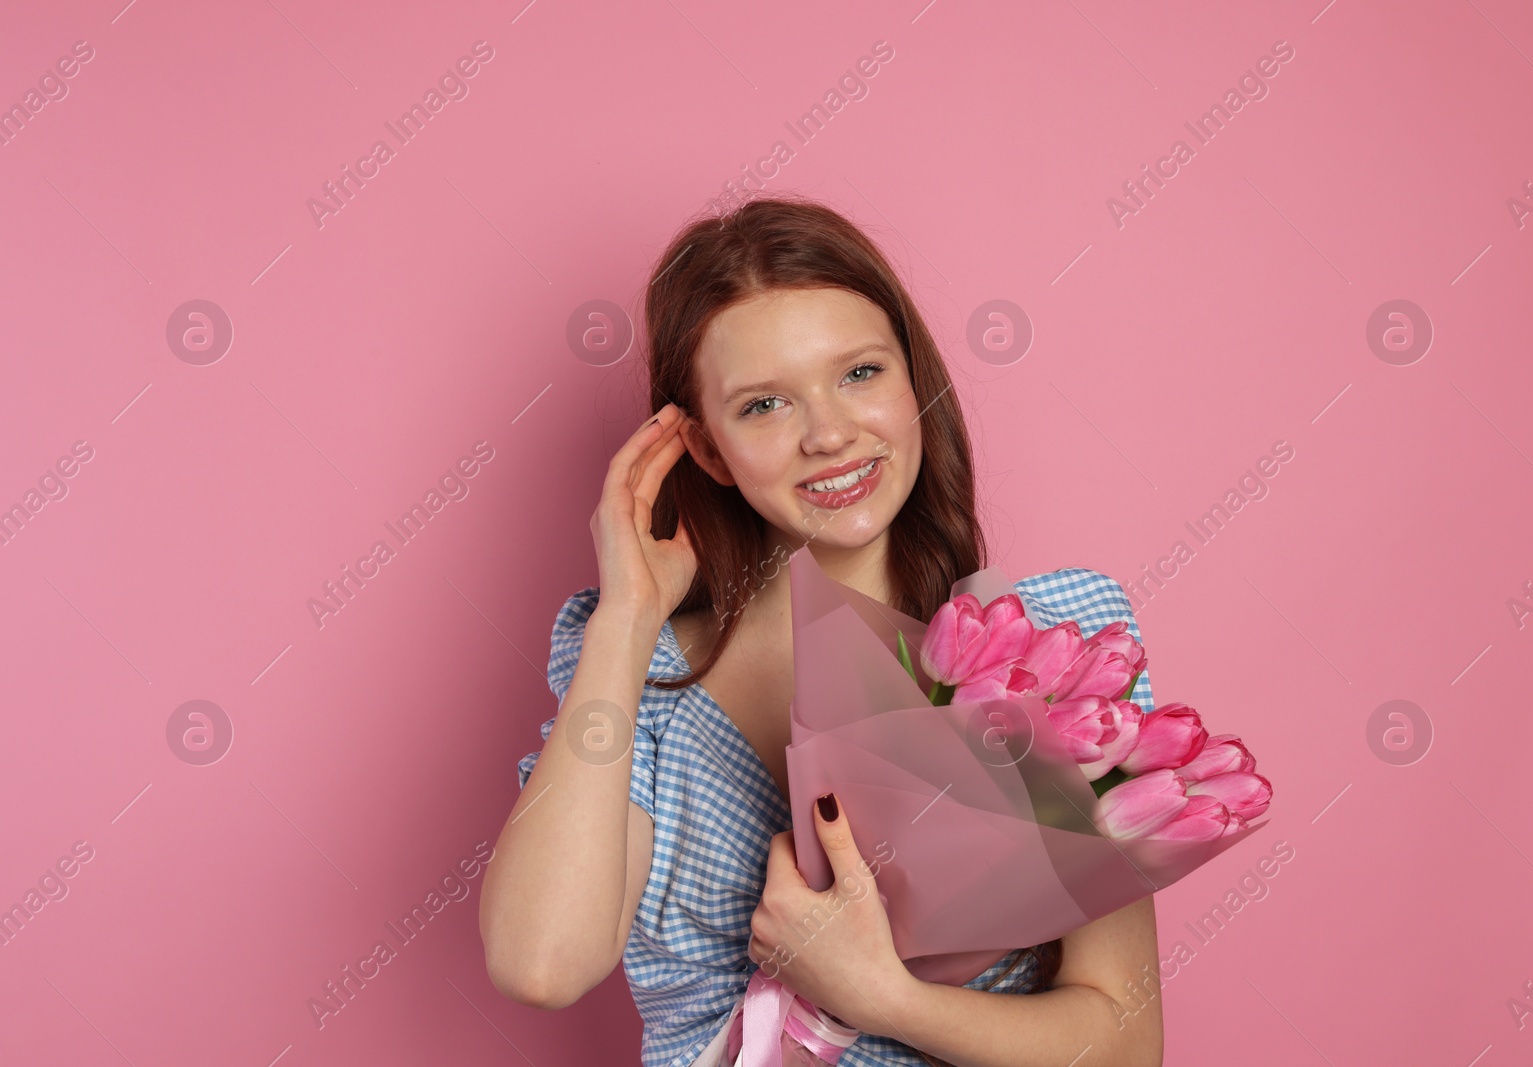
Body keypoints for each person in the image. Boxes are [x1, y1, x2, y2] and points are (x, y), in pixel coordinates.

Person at [479, 195, 1164, 1067]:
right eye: (765, 404)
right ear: (708, 450)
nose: (830, 433)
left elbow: (1123, 1042)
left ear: (913, 379)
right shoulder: (637, 675)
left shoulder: (1054, 647)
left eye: (860, 373)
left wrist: (879, 995)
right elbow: (540, 963)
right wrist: (626, 618)